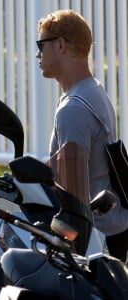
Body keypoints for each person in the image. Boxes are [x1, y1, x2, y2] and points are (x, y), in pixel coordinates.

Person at [36, 9, 128, 262]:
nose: (37, 54)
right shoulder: (92, 90)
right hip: (114, 225)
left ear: (61, 45)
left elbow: (73, 196)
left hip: (98, 239)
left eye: (41, 45)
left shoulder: (74, 107)